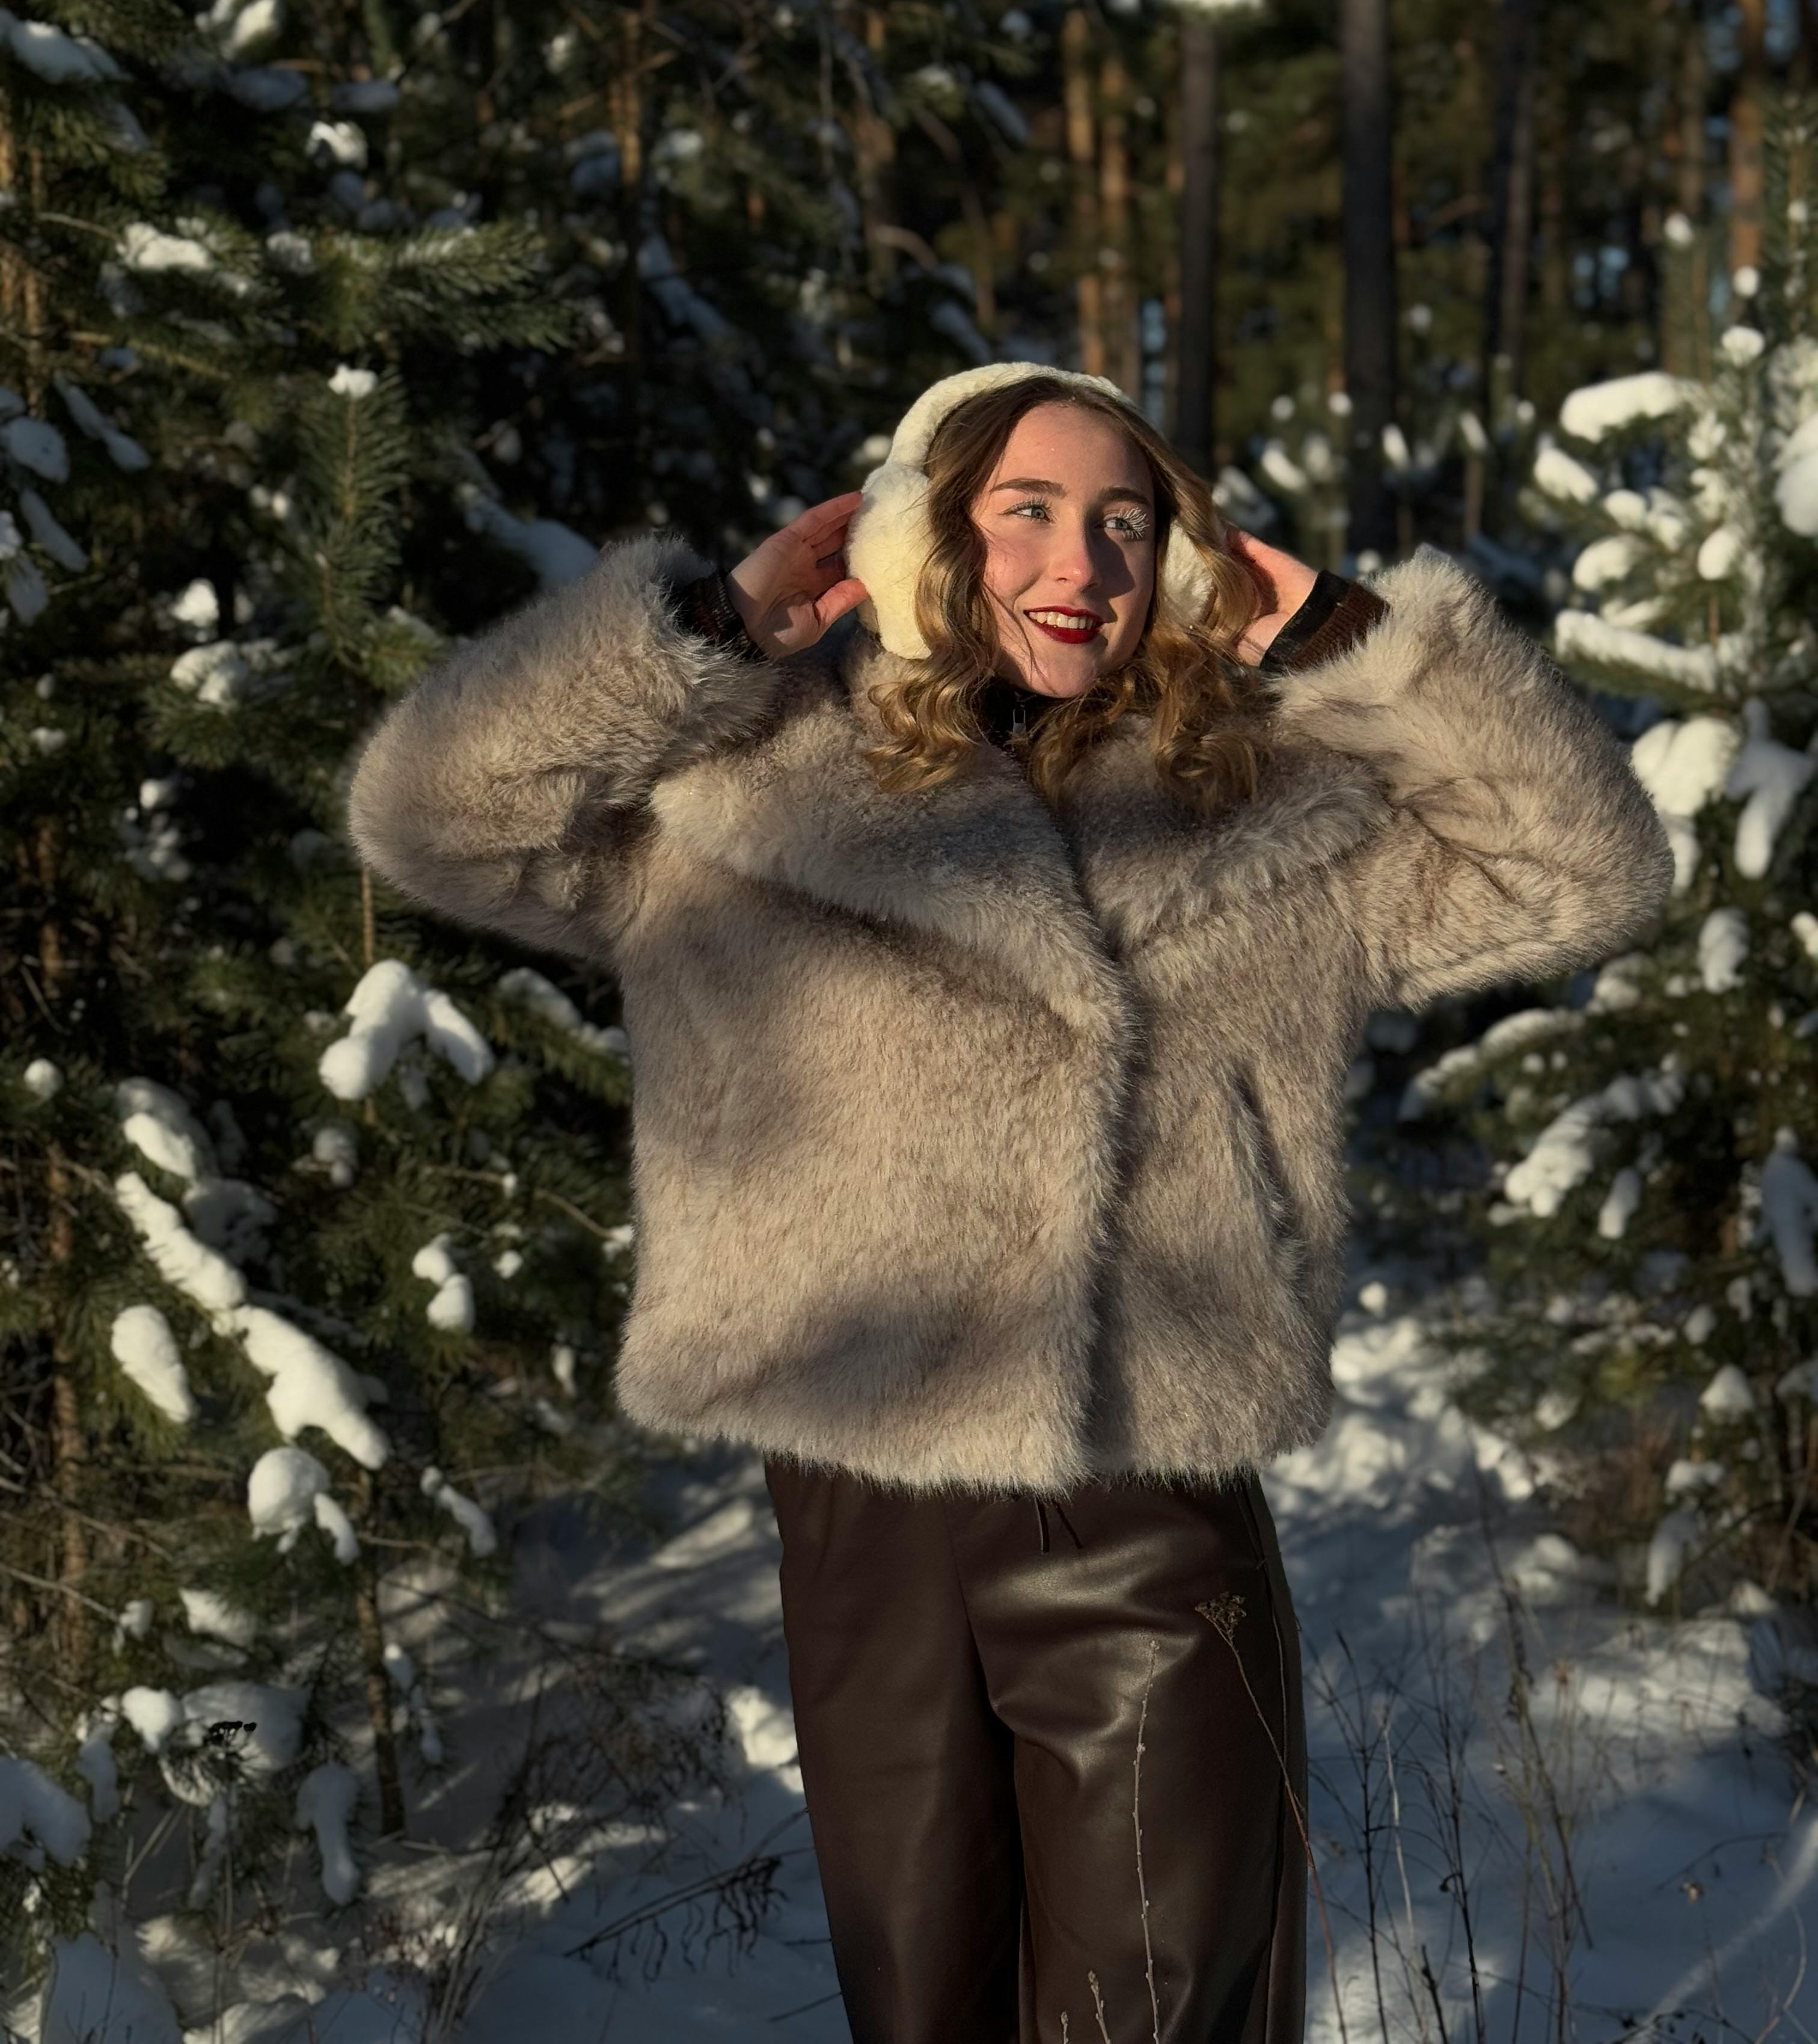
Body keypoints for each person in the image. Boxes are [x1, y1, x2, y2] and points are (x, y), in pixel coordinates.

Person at [344, 362, 1676, 2043]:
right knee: (924, 2004)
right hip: (860, 1498)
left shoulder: (1270, 798)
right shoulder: (732, 790)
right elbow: (430, 815)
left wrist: (1353, 645)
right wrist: (703, 629)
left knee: (1165, 2002)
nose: (1082, 566)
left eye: (1127, 523)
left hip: (1146, 1496)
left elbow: (1585, 872)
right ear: (920, 539)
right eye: (1026, 512)